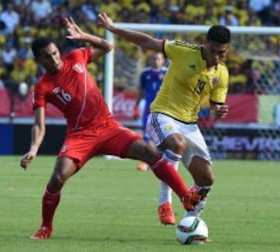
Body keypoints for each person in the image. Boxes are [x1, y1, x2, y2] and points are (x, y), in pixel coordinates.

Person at [20, 17, 202, 240]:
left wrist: (84, 36)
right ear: (39, 60)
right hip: (80, 136)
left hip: (108, 127)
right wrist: (33, 149)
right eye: (48, 57)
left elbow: (107, 46)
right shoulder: (42, 87)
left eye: (55, 52)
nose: (54, 59)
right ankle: (45, 227)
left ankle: (185, 196)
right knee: (57, 178)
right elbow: (39, 123)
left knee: (150, 152)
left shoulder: (76, 56)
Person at [98, 13, 230, 228]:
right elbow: (146, 41)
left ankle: (191, 223)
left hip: (189, 123)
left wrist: (219, 110)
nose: (216, 57)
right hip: (162, 114)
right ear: (204, 43)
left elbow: (216, 105)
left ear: (227, 50)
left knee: (206, 179)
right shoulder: (184, 51)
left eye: (221, 53)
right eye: (213, 51)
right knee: (176, 144)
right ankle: (164, 203)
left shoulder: (222, 74)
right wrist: (114, 29)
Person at [134, 52, 167, 171]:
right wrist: (136, 106)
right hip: (148, 108)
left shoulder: (167, 73)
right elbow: (141, 91)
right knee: (147, 135)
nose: (156, 61)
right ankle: (146, 161)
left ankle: (163, 160)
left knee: (163, 135)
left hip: (163, 108)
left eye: (158, 58)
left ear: (163, 60)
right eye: (153, 58)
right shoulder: (145, 73)